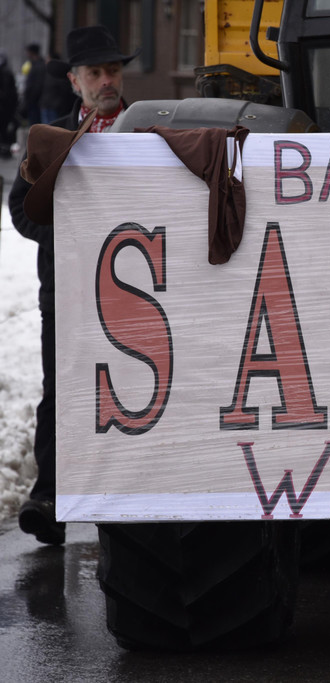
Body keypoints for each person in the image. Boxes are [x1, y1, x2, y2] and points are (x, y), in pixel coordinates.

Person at [8, 25, 139, 545]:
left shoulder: (146, 135)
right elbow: (21, 208)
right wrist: (71, 237)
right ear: (74, 81)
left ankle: (130, 495)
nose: (107, 81)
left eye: (114, 71)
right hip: (65, 293)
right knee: (60, 393)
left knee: (132, 392)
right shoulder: (50, 138)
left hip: (135, 296)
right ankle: (50, 499)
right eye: (95, 72)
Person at [39, 52, 76, 124]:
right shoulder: (46, 73)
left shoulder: (60, 75)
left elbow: (65, 91)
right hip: (46, 105)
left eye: (48, 59)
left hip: (55, 107)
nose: (46, 61)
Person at [18, 43, 44, 126]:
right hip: (32, 100)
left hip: (35, 101)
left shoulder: (38, 65)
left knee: (35, 124)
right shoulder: (33, 64)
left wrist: (30, 98)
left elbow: (37, 85)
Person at [0, 50, 17, 158]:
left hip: (5, 108)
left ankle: (5, 150)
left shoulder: (5, 72)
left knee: (4, 130)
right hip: (6, 107)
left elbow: (6, 93)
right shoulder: (6, 71)